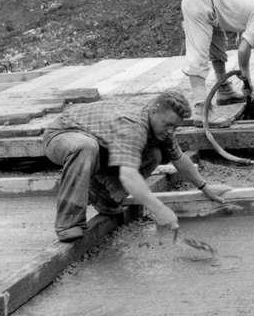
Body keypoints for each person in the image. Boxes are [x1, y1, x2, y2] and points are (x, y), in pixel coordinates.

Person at [43, 90, 232, 242]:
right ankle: (68, 223)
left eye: (175, 127)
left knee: (154, 154)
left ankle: (104, 197)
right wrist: (159, 209)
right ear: (154, 110)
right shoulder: (133, 126)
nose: (171, 131)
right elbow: (128, 176)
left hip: (100, 142)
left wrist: (205, 187)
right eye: (168, 125)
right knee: (85, 147)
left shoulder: (161, 125)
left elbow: (179, 159)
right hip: (64, 134)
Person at [180, 0, 254, 126]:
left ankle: (224, 90)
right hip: (200, 2)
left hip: (208, 1)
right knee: (198, 57)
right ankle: (201, 110)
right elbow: (243, 49)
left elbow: (240, 40)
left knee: (218, 47)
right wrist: (246, 76)